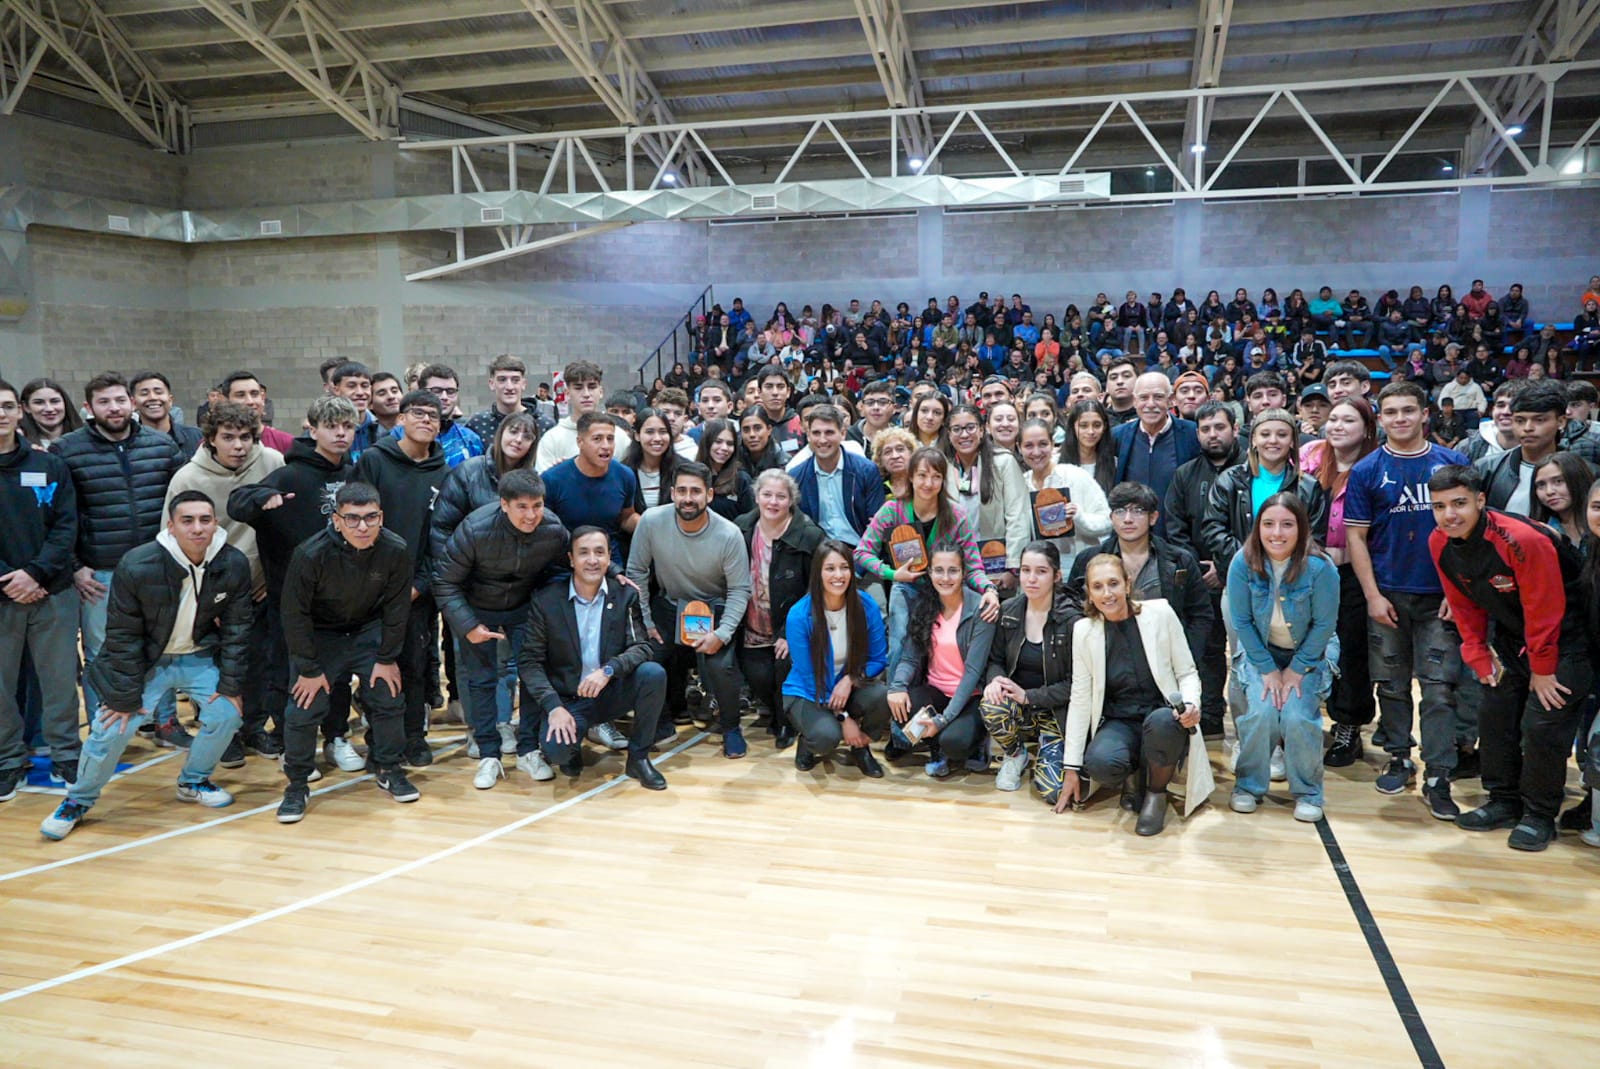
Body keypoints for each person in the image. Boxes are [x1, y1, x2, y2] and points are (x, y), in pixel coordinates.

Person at [39, 492, 253, 840]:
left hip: (197, 655)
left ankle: (193, 780)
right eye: (188, 521)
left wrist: (231, 686)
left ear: (216, 523)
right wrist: (124, 697)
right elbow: (122, 635)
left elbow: (238, 629)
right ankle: (77, 801)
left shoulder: (233, 563)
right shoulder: (138, 564)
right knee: (112, 728)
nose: (198, 528)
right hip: (145, 662)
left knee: (227, 714)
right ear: (171, 526)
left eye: (205, 519)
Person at [1429, 466, 1592, 851]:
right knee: (1495, 713)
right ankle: (1503, 800)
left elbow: (1545, 608)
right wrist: (1477, 653)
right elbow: (1463, 604)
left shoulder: (1520, 538)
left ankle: (1539, 814)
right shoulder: (1439, 541)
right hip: (1512, 638)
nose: (1449, 514)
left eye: (1459, 503)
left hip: (1566, 639)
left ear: (1481, 501)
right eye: (1439, 506)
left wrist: (1543, 668)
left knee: (1541, 726)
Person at [1345, 381, 1471, 818]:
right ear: (1379, 419)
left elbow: (1469, 535)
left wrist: (1461, 593)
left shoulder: (1452, 463)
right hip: (1389, 594)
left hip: (1440, 597)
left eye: (1408, 410)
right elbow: (1356, 538)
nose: (1400, 418)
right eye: (1391, 412)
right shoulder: (1365, 471)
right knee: (1392, 686)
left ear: (1424, 414)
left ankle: (1439, 773)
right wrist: (1372, 595)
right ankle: (1398, 756)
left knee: (1439, 691)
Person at [51, 372, 187, 744]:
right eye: (104, 402)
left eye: (119, 400)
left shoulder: (162, 447)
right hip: (100, 571)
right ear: (89, 408)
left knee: (162, 648)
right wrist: (76, 566)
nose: (114, 408)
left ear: (132, 402)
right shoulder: (66, 450)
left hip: (157, 567)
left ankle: (166, 724)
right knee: (101, 655)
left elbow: (179, 506)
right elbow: (62, 516)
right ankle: (104, 730)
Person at [228, 396, 361, 770]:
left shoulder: (354, 474)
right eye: (331, 426)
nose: (340, 433)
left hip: (342, 599)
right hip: (291, 599)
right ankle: (294, 745)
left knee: (338, 676)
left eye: (347, 426)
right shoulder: (288, 475)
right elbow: (239, 503)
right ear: (312, 429)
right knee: (292, 675)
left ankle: (336, 736)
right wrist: (263, 498)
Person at [275, 482, 415, 823]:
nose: (362, 527)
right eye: (352, 519)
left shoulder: (395, 549)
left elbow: (397, 609)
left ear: (381, 517)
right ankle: (296, 784)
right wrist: (308, 667)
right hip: (321, 635)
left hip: (368, 630)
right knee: (306, 705)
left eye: (371, 517)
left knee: (387, 694)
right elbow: (294, 614)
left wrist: (386, 658)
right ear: (336, 520)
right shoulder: (310, 554)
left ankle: (389, 767)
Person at [434, 470, 581, 787]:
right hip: (477, 608)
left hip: (524, 606)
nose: (532, 515)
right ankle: (488, 754)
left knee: (532, 676)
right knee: (482, 680)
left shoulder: (553, 528)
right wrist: (468, 625)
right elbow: (445, 581)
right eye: (523, 507)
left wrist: (616, 571)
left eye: (537, 506)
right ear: (504, 504)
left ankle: (529, 749)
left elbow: (572, 559)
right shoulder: (474, 528)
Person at [163, 401, 285, 767]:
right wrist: (200, 594)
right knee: (218, 667)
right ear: (211, 439)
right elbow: (173, 540)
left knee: (261, 662)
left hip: (262, 584)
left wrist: (270, 574)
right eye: (228, 437)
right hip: (211, 588)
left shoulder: (273, 464)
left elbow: (283, 525)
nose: (238, 445)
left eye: (245, 437)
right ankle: (223, 732)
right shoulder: (186, 478)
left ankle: (252, 727)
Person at [1056, 554, 1202, 836]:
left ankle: (1156, 793)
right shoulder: (1083, 631)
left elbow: (1187, 672)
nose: (1107, 593)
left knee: (1161, 723)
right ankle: (1135, 772)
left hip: (1162, 715)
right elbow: (1081, 699)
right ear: (1089, 592)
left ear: (1127, 583)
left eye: (1113, 583)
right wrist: (1071, 768)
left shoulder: (1160, 613)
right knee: (1100, 763)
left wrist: (1192, 703)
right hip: (1119, 720)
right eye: (1097, 587)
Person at [517, 527, 669, 790]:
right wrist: (554, 707)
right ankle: (573, 746)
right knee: (558, 752)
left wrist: (609, 669)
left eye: (600, 552)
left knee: (653, 674)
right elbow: (529, 662)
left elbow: (642, 647)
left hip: (610, 691)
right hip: (569, 699)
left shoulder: (624, 596)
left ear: (609, 558)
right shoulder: (546, 601)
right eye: (584, 553)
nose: (592, 560)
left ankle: (638, 758)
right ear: (571, 559)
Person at [626, 463, 753, 758]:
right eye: (681, 490)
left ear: (709, 495)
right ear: (671, 493)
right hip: (669, 605)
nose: (687, 498)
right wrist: (645, 620)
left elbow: (739, 590)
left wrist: (721, 634)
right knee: (649, 659)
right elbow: (637, 572)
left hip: (715, 606)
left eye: (695, 491)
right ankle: (659, 722)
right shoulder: (651, 522)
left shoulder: (729, 534)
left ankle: (731, 727)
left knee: (720, 665)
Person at [1226, 494, 1340, 822]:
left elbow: (1324, 625)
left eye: (1287, 524)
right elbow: (1242, 622)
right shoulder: (1241, 563)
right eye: (1269, 524)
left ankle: (1308, 792)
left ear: (1301, 529)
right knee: (1261, 712)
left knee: (1297, 716)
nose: (1277, 532)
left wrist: (1297, 670)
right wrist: (1266, 669)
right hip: (1260, 651)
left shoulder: (1321, 567)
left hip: (1308, 653)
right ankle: (1248, 785)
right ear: (1257, 527)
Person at [854, 447, 1000, 674]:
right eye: (922, 475)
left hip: (946, 592)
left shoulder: (956, 515)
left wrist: (989, 589)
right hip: (906, 587)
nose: (928, 483)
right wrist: (892, 574)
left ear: (943, 480)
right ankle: (896, 700)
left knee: (942, 651)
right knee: (899, 648)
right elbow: (862, 553)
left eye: (936, 476)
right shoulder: (892, 510)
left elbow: (972, 566)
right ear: (911, 476)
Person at [0, 379, 79, 800]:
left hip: (51, 591)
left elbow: (66, 525)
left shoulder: (50, 465)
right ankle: (8, 761)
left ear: (20, 413)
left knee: (60, 681)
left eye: (8, 406)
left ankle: (67, 754)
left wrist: (35, 574)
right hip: (3, 594)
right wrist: (11, 578)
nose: (1, 414)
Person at [1299, 398, 1381, 766]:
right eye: (1333, 419)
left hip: (1357, 573)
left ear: (1366, 427)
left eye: (1348, 420)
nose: (1337, 426)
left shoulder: (1377, 465)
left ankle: (1348, 724)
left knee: (1352, 649)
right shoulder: (1309, 457)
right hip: (1308, 569)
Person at [1065, 482, 1212, 671]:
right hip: (1106, 659)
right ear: (1111, 517)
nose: (1127, 519)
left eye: (1138, 511)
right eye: (1119, 511)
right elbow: (1072, 611)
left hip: (1164, 660)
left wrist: (1184, 656)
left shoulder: (1179, 561)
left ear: (1153, 517)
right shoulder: (1088, 561)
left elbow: (1200, 614)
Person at [1162, 401, 1243, 737]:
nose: (1213, 435)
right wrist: (1198, 568)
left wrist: (1226, 568)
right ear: (1197, 434)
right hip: (1199, 579)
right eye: (1205, 429)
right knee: (1207, 650)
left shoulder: (1251, 469)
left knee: (1245, 653)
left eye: (1219, 427)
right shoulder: (1185, 474)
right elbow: (1175, 527)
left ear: (1235, 429)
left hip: (1245, 575)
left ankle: (1248, 726)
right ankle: (1209, 714)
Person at [783, 539, 892, 776]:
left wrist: (850, 679)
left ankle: (860, 747)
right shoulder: (799, 615)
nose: (838, 575)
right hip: (809, 692)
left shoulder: (866, 605)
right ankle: (809, 743)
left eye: (844, 567)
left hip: (846, 686)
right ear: (818, 573)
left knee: (882, 696)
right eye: (830, 568)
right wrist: (844, 719)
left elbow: (878, 658)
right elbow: (809, 676)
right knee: (826, 736)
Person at [887, 545, 998, 778]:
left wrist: (944, 719)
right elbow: (909, 656)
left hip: (971, 696)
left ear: (964, 573)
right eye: (938, 570)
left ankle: (975, 742)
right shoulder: (925, 605)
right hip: (935, 691)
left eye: (953, 571)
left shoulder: (980, 608)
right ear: (929, 573)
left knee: (955, 743)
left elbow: (973, 671)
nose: (945, 578)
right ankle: (935, 742)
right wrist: (896, 687)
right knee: (899, 711)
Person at [981, 541, 1075, 801]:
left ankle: (1051, 745)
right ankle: (1015, 754)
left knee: (1052, 792)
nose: (1031, 579)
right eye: (1025, 570)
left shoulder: (1072, 620)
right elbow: (995, 659)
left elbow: (1077, 684)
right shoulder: (1009, 611)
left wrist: (1029, 697)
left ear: (1056, 576)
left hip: (1058, 712)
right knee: (991, 704)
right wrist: (995, 679)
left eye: (1041, 571)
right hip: (1020, 707)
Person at [736, 469, 823, 751]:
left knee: (784, 670)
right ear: (757, 497)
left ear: (791, 501)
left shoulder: (809, 536)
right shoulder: (741, 529)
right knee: (759, 678)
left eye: (781, 496)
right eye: (767, 495)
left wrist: (789, 632)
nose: (773, 502)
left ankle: (786, 722)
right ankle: (775, 713)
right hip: (752, 624)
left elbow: (815, 590)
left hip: (792, 626)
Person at [1201, 408, 1329, 577]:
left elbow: (1315, 538)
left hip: (1291, 579)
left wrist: (1282, 565)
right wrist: (1251, 559)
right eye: (1265, 434)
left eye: (1282, 435)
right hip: (1240, 576)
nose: (1273, 440)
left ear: (1292, 441)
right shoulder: (1229, 480)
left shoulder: (1309, 487)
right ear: (1253, 440)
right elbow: (1213, 529)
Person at [946, 403, 1031, 593]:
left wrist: (1013, 567)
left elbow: (1018, 517)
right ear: (949, 435)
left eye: (970, 427)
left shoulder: (1003, 462)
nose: (964, 435)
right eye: (957, 429)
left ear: (982, 430)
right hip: (957, 568)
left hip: (997, 565)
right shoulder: (944, 468)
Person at [1016, 418, 1109, 573]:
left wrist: (1079, 517)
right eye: (1029, 446)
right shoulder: (1021, 485)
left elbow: (1107, 521)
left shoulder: (1075, 475)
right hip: (1041, 574)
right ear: (1019, 448)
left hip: (1081, 569)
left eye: (1043, 444)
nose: (1037, 452)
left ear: (1053, 444)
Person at [1112, 373, 1201, 535]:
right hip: (1131, 536)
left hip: (1178, 537)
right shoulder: (1118, 436)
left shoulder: (1192, 434)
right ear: (1135, 401)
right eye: (1144, 397)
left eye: (1158, 397)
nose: (1151, 404)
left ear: (1170, 400)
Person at [790, 403, 884, 547]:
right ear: (808, 436)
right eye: (816, 433)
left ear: (843, 433)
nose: (822, 440)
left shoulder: (866, 471)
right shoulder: (796, 477)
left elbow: (876, 528)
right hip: (817, 554)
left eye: (829, 432)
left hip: (861, 551)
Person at [536, 360, 632, 469]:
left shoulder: (619, 437)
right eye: (578, 388)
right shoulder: (552, 439)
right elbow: (542, 482)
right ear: (567, 394)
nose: (586, 394)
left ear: (600, 392)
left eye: (591, 387)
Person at [464, 355, 538, 445]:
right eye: (502, 380)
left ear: (523, 384)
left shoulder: (544, 423)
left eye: (515, 380)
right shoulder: (476, 424)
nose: (509, 387)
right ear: (492, 384)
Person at [218, 371, 294, 454]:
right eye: (240, 395)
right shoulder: (210, 446)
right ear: (224, 401)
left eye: (254, 394)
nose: (250, 401)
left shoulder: (287, 443)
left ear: (262, 398)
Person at [129, 370, 202, 456]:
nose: (152, 397)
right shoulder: (127, 443)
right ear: (133, 403)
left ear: (170, 400)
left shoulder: (197, 437)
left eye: (158, 392)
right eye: (144, 393)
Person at [695, 418, 755, 522]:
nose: (724, 448)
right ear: (707, 443)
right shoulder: (693, 475)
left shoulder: (741, 479)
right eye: (718, 442)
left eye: (730, 444)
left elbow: (750, 520)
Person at [1530, 451, 1595, 546]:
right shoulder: (1539, 530)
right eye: (1541, 485)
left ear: (1578, 480)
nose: (1549, 491)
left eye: (1558, 481)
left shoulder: (1596, 523)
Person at [1061, 399, 1117, 494]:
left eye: (1097, 425)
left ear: (1105, 427)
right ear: (1072, 426)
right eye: (1083, 426)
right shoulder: (1055, 463)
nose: (1091, 431)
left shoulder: (1115, 464)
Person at [19, 378, 83, 448]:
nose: (49, 409)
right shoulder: (18, 443)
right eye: (39, 402)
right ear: (26, 407)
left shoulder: (87, 438)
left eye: (55, 401)